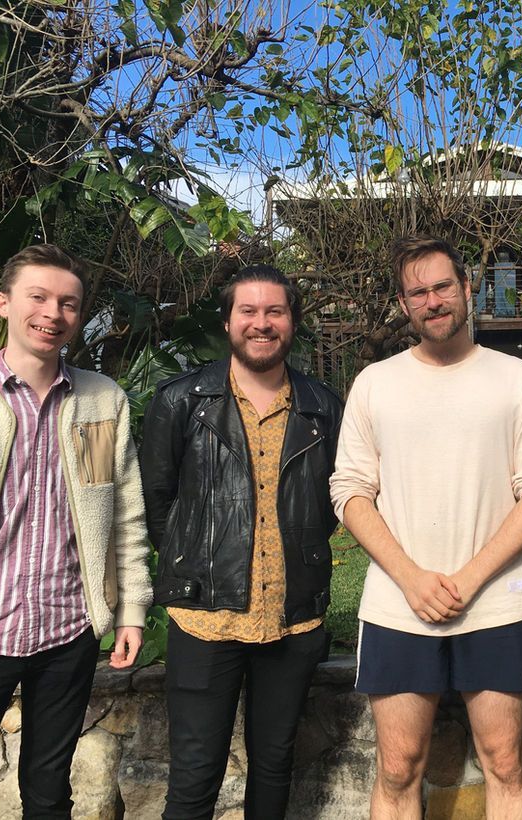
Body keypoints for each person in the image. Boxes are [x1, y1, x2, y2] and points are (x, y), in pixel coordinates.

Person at [330, 236, 522, 820]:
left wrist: (468, 578)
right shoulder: (375, 384)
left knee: (505, 764)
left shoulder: (516, 380)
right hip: (398, 603)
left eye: (442, 286)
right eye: (418, 292)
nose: (432, 301)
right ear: (404, 304)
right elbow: (350, 492)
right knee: (397, 767)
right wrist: (411, 579)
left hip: (496, 603)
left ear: (466, 288)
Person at [0, 244, 153, 819]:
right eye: (39, 297)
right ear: (4, 303)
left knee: (50, 793)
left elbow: (123, 514)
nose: (53, 313)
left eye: (69, 303)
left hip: (67, 632)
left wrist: (130, 609)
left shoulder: (100, 401)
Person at [140, 265, 343, 820]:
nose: (261, 323)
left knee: (275, 764)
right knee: (195, 773)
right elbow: (158, 500)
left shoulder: (323, 407)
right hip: (204, 617)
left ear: (292, 322)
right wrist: (193, 561)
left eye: (274, 311)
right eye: (248, 311)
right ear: (228, 319)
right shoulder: (181, 401)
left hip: (291, 616)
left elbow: (330, 504)